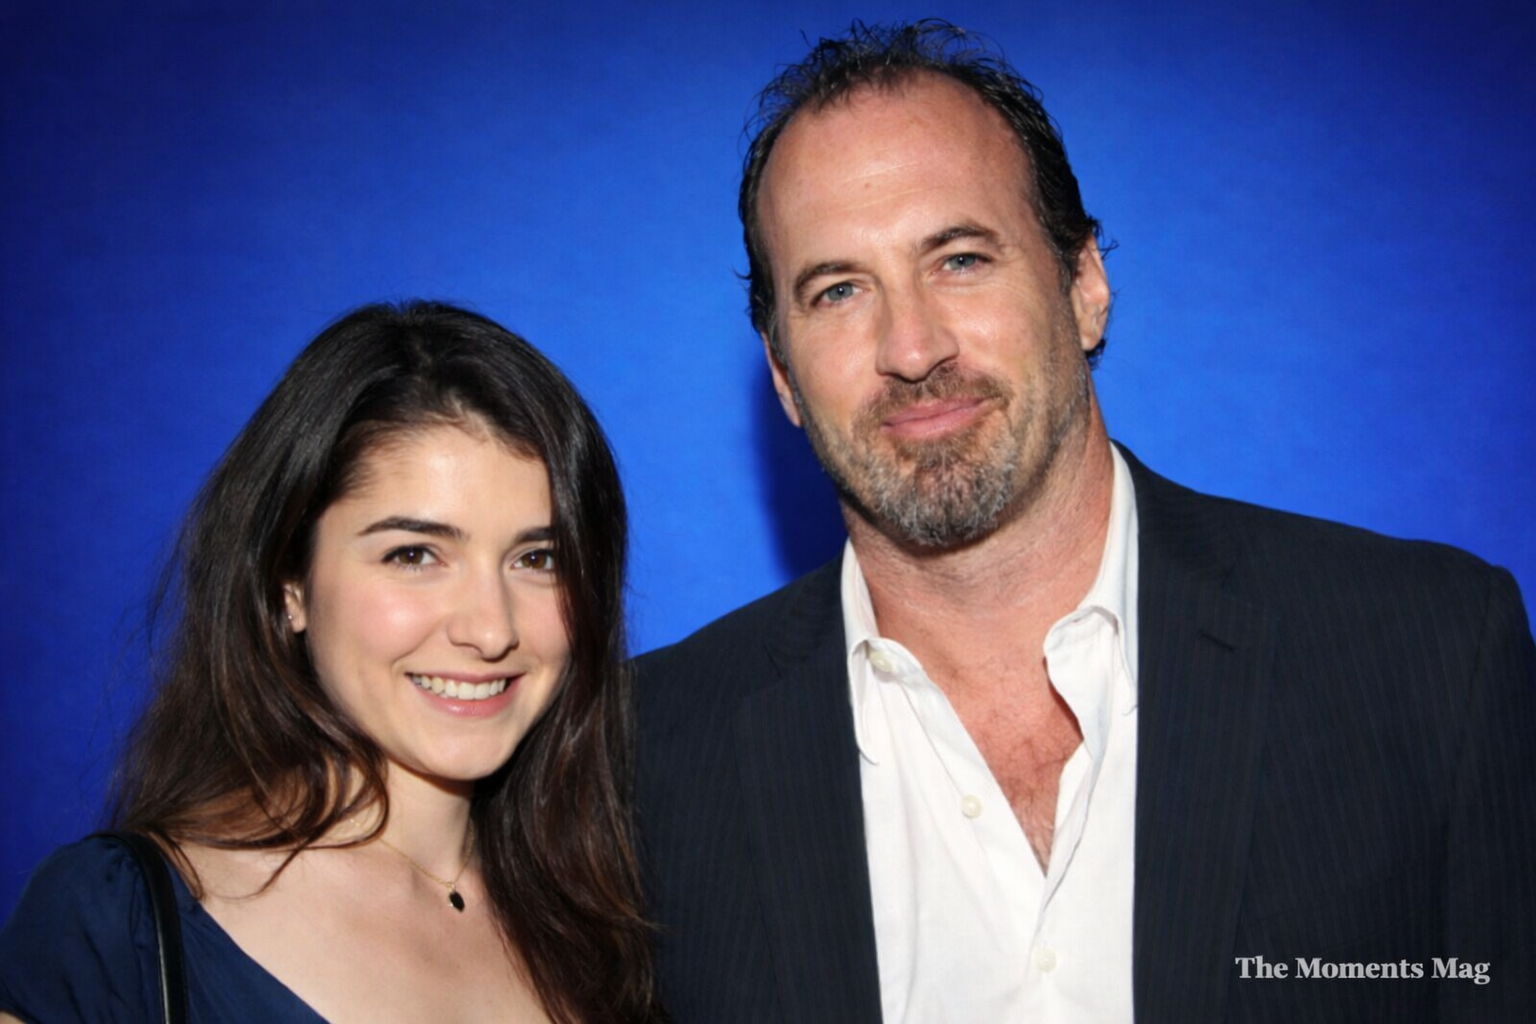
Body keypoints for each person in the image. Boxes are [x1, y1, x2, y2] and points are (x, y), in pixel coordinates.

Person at [633, 20, 1536, 1024]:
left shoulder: (1426, 658)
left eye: (960, 259)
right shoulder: (645, 762)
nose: (912, 347)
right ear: (783, 372)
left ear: (1085, 285)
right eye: (839, 290)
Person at [0, 302, 663, 1024]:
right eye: (414, 555)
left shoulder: (627, 916)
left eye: (537, 559)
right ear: (289, 584)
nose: (490, 628)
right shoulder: (117, 926)